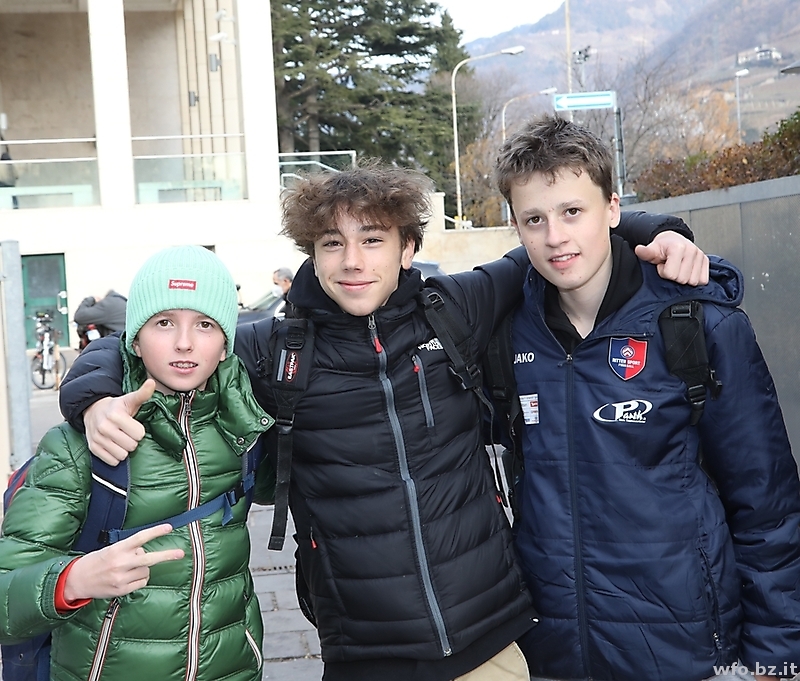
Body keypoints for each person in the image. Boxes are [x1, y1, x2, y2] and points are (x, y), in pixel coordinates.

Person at [58, 162, 708, 681]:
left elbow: (556, 242)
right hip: (364, 651)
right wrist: (93, 399)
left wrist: (663, 228)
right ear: (311, 254)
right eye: (332, 244)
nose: (353, 261)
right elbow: (136, 345)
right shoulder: (273, 347)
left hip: (490, 639)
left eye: (372, 240)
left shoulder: (455, 307)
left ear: (407, 248)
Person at [493, 115, 800, 681]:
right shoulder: (507, 331)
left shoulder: (699, 324)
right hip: (553, 650)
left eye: (573, 211)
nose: (555, 236)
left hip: (685, 649)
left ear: (613, 208)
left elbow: (768, 507)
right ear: (515, 226)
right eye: (534, 219)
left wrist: (775, 659)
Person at [0, 245, 274, 680]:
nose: (184, 342)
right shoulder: (79, 445)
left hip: (231, 668)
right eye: (164, 322)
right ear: (134, 339)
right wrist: (72, 581)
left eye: (205, 324)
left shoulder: (245, 427)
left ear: (225, 344)